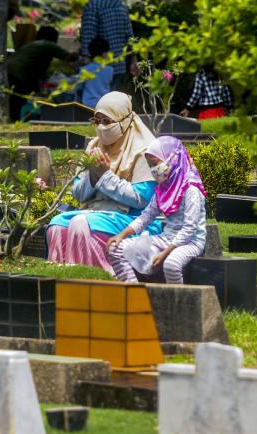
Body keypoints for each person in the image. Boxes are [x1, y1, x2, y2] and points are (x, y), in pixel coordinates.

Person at [46, 91, 160, 273]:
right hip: (96, 212)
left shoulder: (143, 149)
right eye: (96, 121)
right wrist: (93, 175)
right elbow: (77, 193)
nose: (101, 127)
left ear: (124, 120)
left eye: (107, 121)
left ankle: (97, 278)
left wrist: (106, 175)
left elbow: (141, 199)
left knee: (81, 223)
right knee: (58, 224)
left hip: (134, 218)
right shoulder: (94, 146)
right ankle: (60, 281)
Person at [106, 136, 207, 284]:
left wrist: (166, 253)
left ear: (172, 158)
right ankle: (133, 294)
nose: (153, 170)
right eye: (150, 165)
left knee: (171, 264)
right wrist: (121, 235)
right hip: (166, 239)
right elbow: (146, 216)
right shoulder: (163, 188)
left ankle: (177, 302)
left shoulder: (191, 189)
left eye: (155, 163)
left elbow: (190, 228)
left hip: (190, 242)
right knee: (115, 249)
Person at [6, 26, 72, 121]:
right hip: (20, 73)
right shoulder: (48, 44)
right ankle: (18, 119)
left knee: (15, 98)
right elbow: (68, 57)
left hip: (9, 70)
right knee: (20, 98)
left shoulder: (32, 44)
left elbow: (39, 66)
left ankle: (14, 117)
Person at [79, 0, 138, 90]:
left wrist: (87, 65)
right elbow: (130, 36)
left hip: (98, 69)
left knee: (95, 101)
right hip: (119, 65)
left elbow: (88, 36)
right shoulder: (121, 5)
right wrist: (134, 60)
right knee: (111, 101)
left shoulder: (93, 6)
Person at [76, 37, 113, 108]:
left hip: (87, 105)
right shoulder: (110, 70)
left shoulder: (84, 69)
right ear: (104, 54)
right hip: (104, 106)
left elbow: (79, 88)